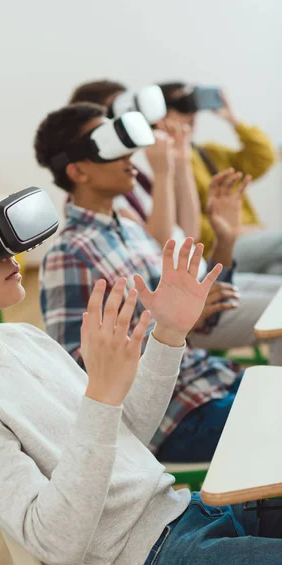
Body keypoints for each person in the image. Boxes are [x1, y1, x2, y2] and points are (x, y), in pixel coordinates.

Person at [0, 190, 282, 565]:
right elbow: (54, 539)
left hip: (187, 512)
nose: (9, 255)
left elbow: (127, 439)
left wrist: (168, 334)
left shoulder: (23, 339)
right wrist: (101, 396)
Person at [69, 80, 282, 360]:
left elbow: (186, 239)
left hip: (198, 280)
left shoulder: (141, 173)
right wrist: (166, 172)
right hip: (180, 304)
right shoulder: (114, 189)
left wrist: (179, 162)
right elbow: (162, 248)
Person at [159, 81, 281, 274]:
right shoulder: (162, 166)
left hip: (250, 239)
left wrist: (232, 118)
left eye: (192, 105)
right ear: (161, 115)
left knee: (277, 271)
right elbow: (185, 229)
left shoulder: (209, 153)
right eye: (183, 106)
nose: (192, 114)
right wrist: (233, 231)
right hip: (217, 250)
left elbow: (264, 158)